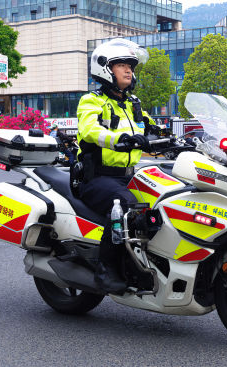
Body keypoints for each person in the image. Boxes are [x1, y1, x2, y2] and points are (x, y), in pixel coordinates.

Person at [75, 38, 159, 293]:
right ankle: (106, 269)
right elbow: (89, 130)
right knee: (125, 207)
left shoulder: (133, 104)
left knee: (165, 203)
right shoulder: (92, 101)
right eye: (121, 65)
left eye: (130, 66)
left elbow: (153, 129)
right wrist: (119, 139)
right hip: (96, 177)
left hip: (128, 176)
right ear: (105, 69)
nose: (128, 70)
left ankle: (148, 262)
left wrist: (180, 139)